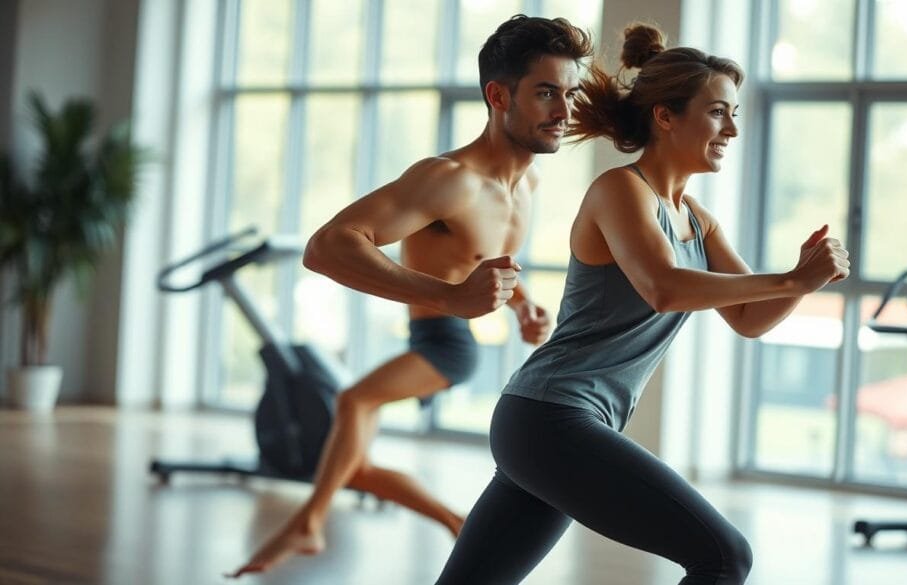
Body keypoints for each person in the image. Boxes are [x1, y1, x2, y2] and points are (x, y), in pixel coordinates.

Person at [434, 23, 850, 585]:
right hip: (552, 417)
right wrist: (791, 279)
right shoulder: (620, 190)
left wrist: (804, 282)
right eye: (717, 112)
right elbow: (665, 287)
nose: (731, 128)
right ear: (665, 116)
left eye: (733, 114)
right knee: (724, 557)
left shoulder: (696, 219)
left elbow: (750, 320)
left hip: (553, 424)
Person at [228, 15, 594, 578]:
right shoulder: (450, 179)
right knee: (352, 458)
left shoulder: (527, 184)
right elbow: (326, 248)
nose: (565, 111)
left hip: (450, 344)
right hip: (440, 332)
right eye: (547, 92)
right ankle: (440, 521)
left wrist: (522, 305)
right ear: (499, 96)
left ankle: (311, 522)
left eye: (571, 93)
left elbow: (487, 259)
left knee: (352, 408)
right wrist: (450, 297)